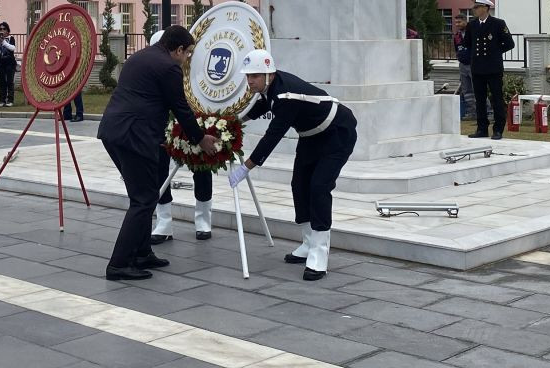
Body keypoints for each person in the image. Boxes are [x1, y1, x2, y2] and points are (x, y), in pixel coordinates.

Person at [97, 26, 217, 281]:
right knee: (143, 199)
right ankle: (118, 264)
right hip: (134, 136)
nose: (186, 59)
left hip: (113, 132)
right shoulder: (168, 66)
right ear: (178, 49)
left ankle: (142, 253)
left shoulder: (139, 56)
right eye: (187, 54)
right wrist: (200, 138)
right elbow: (180, 107)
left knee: (144, 195)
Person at [228, 48, 358, 281]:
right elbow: (258, 108)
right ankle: (308, 243)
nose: (250, 80)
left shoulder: (286, 96)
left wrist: (245, 167)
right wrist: (231, 123)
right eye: (248, 76)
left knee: (319, 187)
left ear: (269, 74)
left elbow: (273, 135)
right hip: (311, 136)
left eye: (255, 76)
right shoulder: (271, 89)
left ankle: (319, 254)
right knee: (299, 185)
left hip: (337, 133)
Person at [151, 30, 215, 243]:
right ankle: (164, 222)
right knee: (160, 170)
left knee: (202, 168)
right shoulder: (160, 68)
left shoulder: (193, 67)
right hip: (164, 122)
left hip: (194, 120)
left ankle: (203, 219)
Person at [462, 0, 516, 139]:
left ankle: (498, 129)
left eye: (477, 7)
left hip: (493, 67)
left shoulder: (498, 24)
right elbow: (468, 43)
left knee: (496, 98)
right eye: (474, 7)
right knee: (479, 99)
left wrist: (496, 52)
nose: (475, 10)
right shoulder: (472, 25)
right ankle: (482, 129)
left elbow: (510, 43)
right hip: (478, 67)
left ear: (485, 8)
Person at [0, 22, 17, 107]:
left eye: (4, 29)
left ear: (7, 31)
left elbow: (13, 48)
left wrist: (4, 42)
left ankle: (10, 100)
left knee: (10, 81)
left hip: (10, 63)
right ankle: (2, 100)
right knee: (2, 82)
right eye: (0, 29)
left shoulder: (11, 38)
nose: (2, 31)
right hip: (1, 63)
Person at [453, 23, 475, 120]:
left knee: (478, 89)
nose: (457, 24)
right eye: (456, 22)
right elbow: (456, 49)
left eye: (459, 22)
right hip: (462, 65)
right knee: (467, 91)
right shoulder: (457, 36)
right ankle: (472, 112)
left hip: (473, 64)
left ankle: (488, 112)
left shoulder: (471, 33)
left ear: (465, 22)